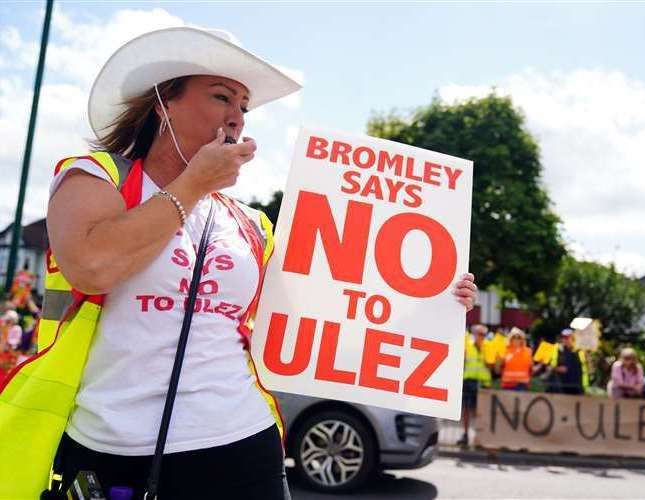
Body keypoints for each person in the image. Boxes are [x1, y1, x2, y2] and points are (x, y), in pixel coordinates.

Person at [0, 27, 479, 499]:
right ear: (165, 101)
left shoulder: (251, 224)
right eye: (221, 97)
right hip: (110, 446)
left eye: (243, 107)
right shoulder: (95, 176)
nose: (237, 118)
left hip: (241, 442)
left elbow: (335, 305)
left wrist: (435, 300)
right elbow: (91, 266)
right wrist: (193, 184)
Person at [457, 324, 492, 447]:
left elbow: (491, 364)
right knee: (466, 410)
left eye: (483, 334)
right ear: (474, 334)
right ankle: (465, 434)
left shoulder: (488, 346)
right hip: (469, 380)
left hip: (483, 383)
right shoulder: (468, 346)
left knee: (480, 412)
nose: (481, 336)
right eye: (479, 334)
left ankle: (479, 437)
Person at [547, 328, 588, 395]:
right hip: (562, 388)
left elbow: (582, 369)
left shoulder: (579, 352)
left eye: (568, 338)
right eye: (564, 338)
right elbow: (549, 367)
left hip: (577, 388)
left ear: (573, 339)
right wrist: (556, 369)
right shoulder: (558, 351)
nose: (566, 340)